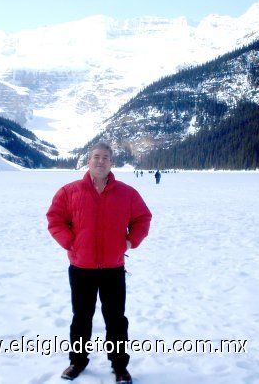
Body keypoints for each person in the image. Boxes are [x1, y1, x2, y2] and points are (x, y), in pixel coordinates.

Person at [47, 142, 152, 383]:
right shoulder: (69, 191)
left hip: (113, 269)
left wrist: (129, 242)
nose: (100, 161)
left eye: (105, 157)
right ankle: (77, 362)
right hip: (81, 268)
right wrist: (71, 243)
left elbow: (142, 218)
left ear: (111, 162)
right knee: (81, 317)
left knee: (116, 319)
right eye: (96, 157)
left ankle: (119, 366)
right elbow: (55, 219)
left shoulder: (127, 193)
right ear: (88, 160)